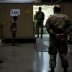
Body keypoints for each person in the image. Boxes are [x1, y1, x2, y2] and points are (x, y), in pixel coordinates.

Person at [45, 5, 72, 72]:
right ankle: (65, 69)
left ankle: (52, 69)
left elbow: (48, 27)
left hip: (53, 39)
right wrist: (65, 33)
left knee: (52, 54)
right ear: (60, 10)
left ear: (54, 10)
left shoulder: (50, 18)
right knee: (63, 54)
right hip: (62, 39)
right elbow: (70, 26)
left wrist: (54, 34)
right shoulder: (66, 17)